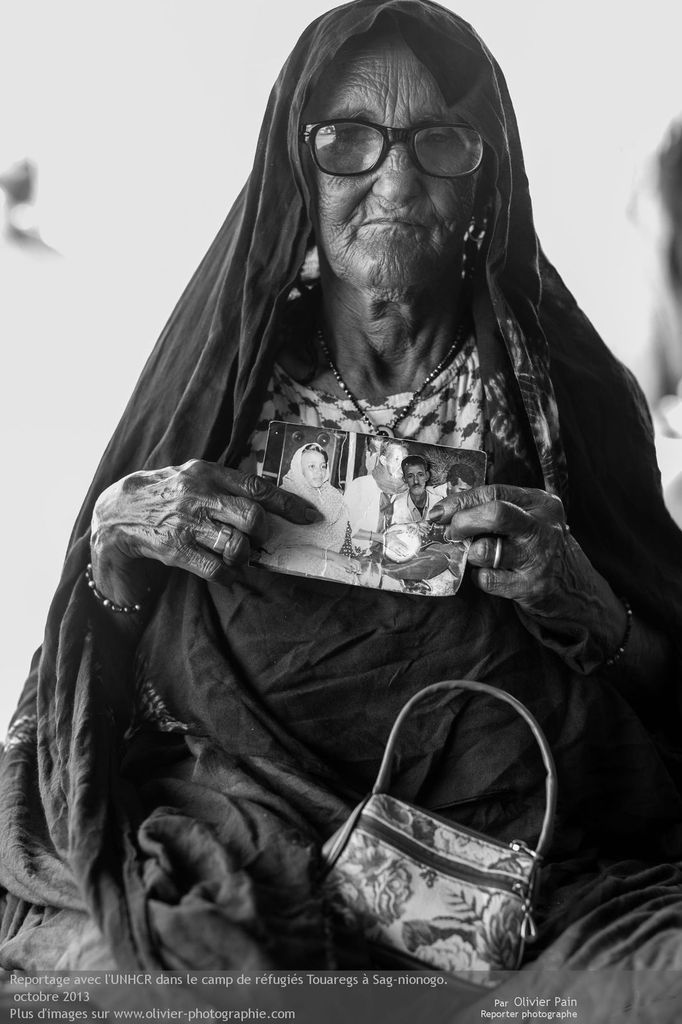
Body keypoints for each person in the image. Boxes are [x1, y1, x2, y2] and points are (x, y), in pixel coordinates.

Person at [1, 1, 682, 1009]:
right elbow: (89, 673)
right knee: (124, 976)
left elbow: (668, 680)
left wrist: (583, 598)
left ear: (488, 179)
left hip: (525, 875)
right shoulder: (218, 375)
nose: (396, 179)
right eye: (349, 139)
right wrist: (117, 541)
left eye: (442, 140)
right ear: (297, 170)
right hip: (244, 836)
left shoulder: (562, 394)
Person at [255, 441, 358, 579]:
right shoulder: (283, 498)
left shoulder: (333, 495)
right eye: (312, 466)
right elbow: (285, 547)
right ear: (299, 468)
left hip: (336, 558)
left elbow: (347, 531)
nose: (319, 472)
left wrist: (346, 557)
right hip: (293, 563)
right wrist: (335, 558)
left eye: (323, 466)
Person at [343, 437, 408, 551]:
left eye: (405, 460)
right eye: (396, 459)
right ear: (383, 460)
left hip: (383, 551)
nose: (402, 466)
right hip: (355, 552)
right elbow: (346, 528)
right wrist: (383, 538)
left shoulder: (403, 490)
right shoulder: (362, 485)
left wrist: (413, 526)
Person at [391, 454, 441, 524]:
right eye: (410, 476)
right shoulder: (398, 504)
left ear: (427, 476)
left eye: (420, 475)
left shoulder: (438, 501)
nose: (416, 481)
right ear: (404, 479)